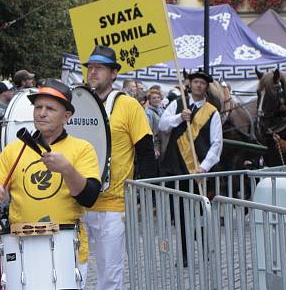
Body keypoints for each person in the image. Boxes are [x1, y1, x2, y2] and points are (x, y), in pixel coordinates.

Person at [0, 79, 100, 280]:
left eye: (50, 108)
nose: (42, 113)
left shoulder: (82, 149)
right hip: (21, 246)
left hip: (66, 247)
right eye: (38, 107)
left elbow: (89, 197)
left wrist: (67, 170)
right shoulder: (15, 148)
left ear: (67, 116)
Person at [82, 45, 156, 290]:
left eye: (100, 68)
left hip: (113, 204)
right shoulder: (78, 103)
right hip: (76, 202)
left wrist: (143, 195)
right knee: (73, 270)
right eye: (90, 67)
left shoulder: (129, 105)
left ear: (113, 73)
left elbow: (146, 152)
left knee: (109, 275)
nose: (93, 72)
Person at [158, 70, 223, 265]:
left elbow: (217, 143)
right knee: (179, 214)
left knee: (199, 213)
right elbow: (162, 125)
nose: (199, 86)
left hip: (197, 171)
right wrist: (179, 117)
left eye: (202, 83)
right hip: (175, 168)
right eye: (196, 82)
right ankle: (185, 254)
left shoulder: (212, 111)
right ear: (190, 84)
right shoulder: (178, 104)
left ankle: (204, 251)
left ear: (206, 88)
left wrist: (203, 167)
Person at [144, 88, 165, 158]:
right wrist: (154, 148)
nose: (157, 99)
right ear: (149, 100)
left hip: (163, 142)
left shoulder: (162, 110)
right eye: (154, 98)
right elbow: (148, 130)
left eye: (158, 97)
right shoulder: (148, 112)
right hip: (155, 144)